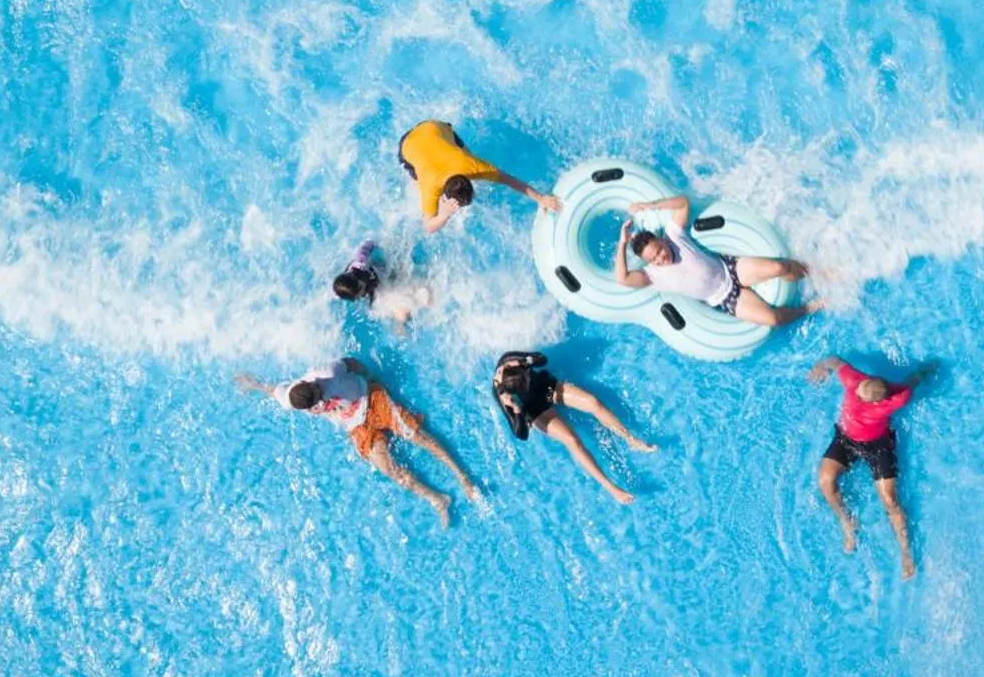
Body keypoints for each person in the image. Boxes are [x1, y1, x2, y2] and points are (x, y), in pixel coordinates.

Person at [237, 358, 478, 524]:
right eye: (317, 402)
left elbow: (352, 363)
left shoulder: (328, 372)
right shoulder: (289, 399)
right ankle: (437, 499)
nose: (322, 398)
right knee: (389, 470)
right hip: (357, 426)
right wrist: (254, 384)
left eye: (319, 393)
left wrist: (373, 377)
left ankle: (462, 477)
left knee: (416, 436)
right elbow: (273, 390)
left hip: (371, 399)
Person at [807, 355, 929, 579]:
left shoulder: (897, 398)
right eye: (857, 389)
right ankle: (848, 522)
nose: (854, 392)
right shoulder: (855, 381)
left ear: (876, 402)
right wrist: (821, 367)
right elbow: (834, 360)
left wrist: (923, 372)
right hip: (845, 440)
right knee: (825, 481)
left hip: (878, 446)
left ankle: (905, 552)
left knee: (890, 500)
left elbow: (910, 383)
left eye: (859, 394)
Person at [614, 194, 817, 328]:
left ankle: (816, 272)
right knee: (773, 319)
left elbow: (683, 203)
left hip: (730, 269)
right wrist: (622, 243)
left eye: (659, 250)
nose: (661, 258)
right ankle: (807, 308)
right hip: (725, 298)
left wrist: (651, 206)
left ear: (661, 241)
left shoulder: (673, 235)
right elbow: (622, 279)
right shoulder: (651, 276)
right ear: (647, 261)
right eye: (654, 259)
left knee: (779, 267)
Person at [490, 351, 654, 505]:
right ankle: (611, 488)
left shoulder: (509, 361)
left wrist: (525, 361)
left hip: (546, 388)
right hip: (535, 411)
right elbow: (521, 434)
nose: (529, 380)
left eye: (528, 377)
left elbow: (542, 359)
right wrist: (516, 409)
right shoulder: (503, 394)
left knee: (593, 402)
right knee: (572, 440)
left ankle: (630, 440)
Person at [399, 119, 561, 234]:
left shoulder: (473, 165)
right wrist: (444, 215)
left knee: (463, 151)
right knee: (417, 182)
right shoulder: (430, 186)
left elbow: (510, 180)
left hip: (434, 127)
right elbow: (428, 227)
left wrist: (541, 199)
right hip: (408, 144)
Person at [330, 241, 430, 326]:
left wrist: (380, 246)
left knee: (404, 291)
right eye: (358, 295)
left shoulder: (361, 262)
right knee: (400, 312)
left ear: (358, 280)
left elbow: (368, 244)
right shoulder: (354, 290)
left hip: (382, 271)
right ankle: (400, 325)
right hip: (378, 284)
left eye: (360, 289)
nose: (361, 294)